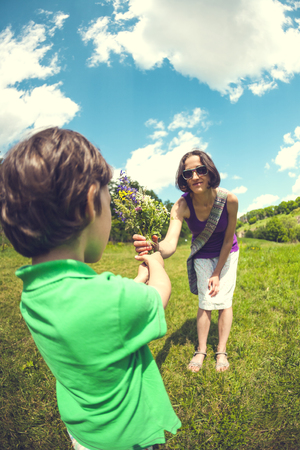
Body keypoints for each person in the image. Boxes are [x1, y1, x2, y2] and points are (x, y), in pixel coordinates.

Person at [0, 128, 181, 450]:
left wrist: (136, 280)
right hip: (129, 438)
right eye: (109, 203)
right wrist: (155, 261)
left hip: (84, 434)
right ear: (89, 205)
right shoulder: (113, 300)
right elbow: (160, 292)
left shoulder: (33, 294)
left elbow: (94, 307)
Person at [134, 149, 239, 373]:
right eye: (187, 173)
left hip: (227, 253)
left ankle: (221, 350)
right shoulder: (181, 206)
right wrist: (156, 247)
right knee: (205, 301)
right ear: (183, 179)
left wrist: (217, 272)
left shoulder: (229, 199)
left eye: (200, 170)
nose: (194, 177)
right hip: (201, 254)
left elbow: (228, 239)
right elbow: (170, 243)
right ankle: (201, 349)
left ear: (210, 172)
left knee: (224, 300)